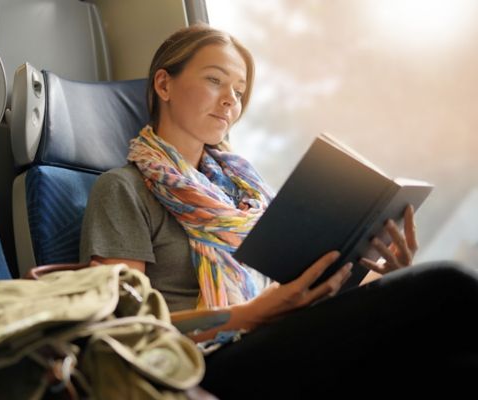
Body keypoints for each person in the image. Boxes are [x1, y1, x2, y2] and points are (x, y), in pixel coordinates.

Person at [79, 23, 478, 398]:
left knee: (443, 352)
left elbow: (286, 293)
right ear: (164, 84)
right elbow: (122, 328)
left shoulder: (244, 194)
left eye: (238, 90)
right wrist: (245, 315)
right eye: (215, 80)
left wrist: (377, 271)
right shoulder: (122, 189)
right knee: (450, 285)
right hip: (199, 366)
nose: (229, 100)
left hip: (271, 335)